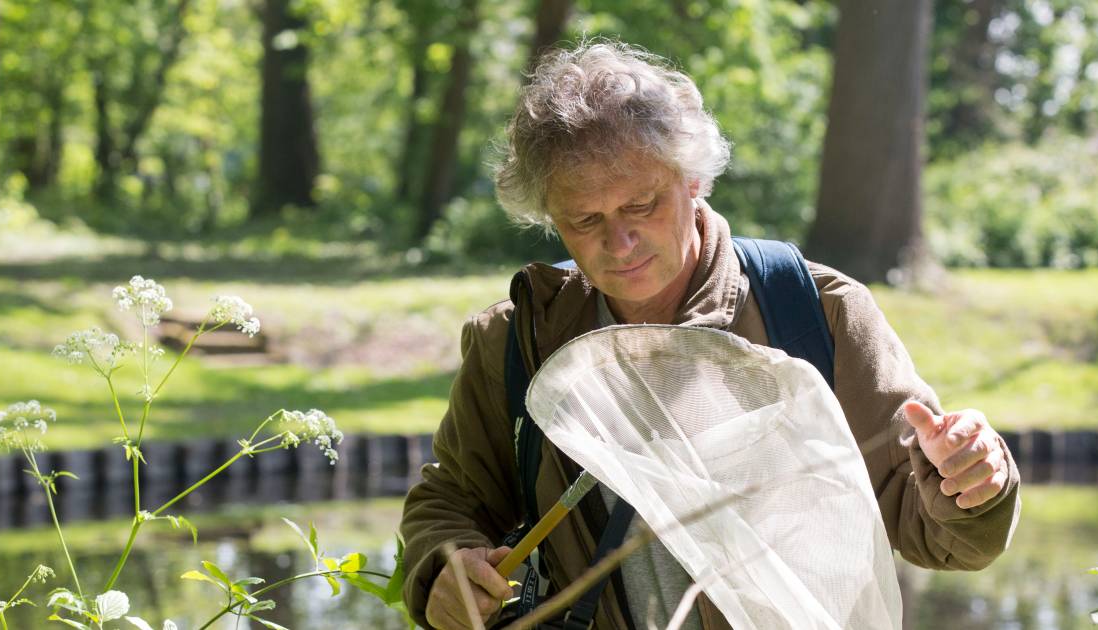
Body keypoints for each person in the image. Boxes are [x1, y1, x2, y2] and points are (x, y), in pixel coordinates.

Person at [399, 41, 1021, 630]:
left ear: (692, 180)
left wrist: (970, 485)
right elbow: (452, 497)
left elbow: (935, 534)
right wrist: (445, 568)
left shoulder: (815, 313)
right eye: (586, 219)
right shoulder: (520, 337)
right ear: (550, 218)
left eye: (642, 204)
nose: (619, 243)